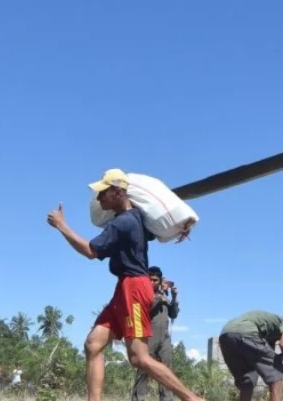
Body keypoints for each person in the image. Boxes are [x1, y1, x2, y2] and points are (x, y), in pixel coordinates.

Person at [47, 169, 204, 401]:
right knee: (93, 344)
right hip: (124, 288)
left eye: (103, 192)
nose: (99, 198)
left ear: (118, 192)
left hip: (134, 288)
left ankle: (192, 399)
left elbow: (90, 251)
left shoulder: (122, 223)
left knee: (139, 357)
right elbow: (155, 229)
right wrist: (182, 224)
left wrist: (62, 225)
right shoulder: (138, 217)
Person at [217, 310, 283, 401]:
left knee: (247, 381)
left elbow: (272, 361)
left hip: (226, 336)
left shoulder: (271, 332)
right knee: (277, 375)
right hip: (247, 332)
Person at [132, 266, 180, 401]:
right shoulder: (143, 294)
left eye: (155, 280)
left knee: (166, 371)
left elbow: (173, 314)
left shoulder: (163, 296)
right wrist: (161, 293)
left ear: (159, 281)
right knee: (144, 369)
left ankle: (167, 399)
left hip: (164, 338)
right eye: (150, 280)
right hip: (148, 337)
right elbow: (147, 308)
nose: (152, 282)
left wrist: (174, 297)